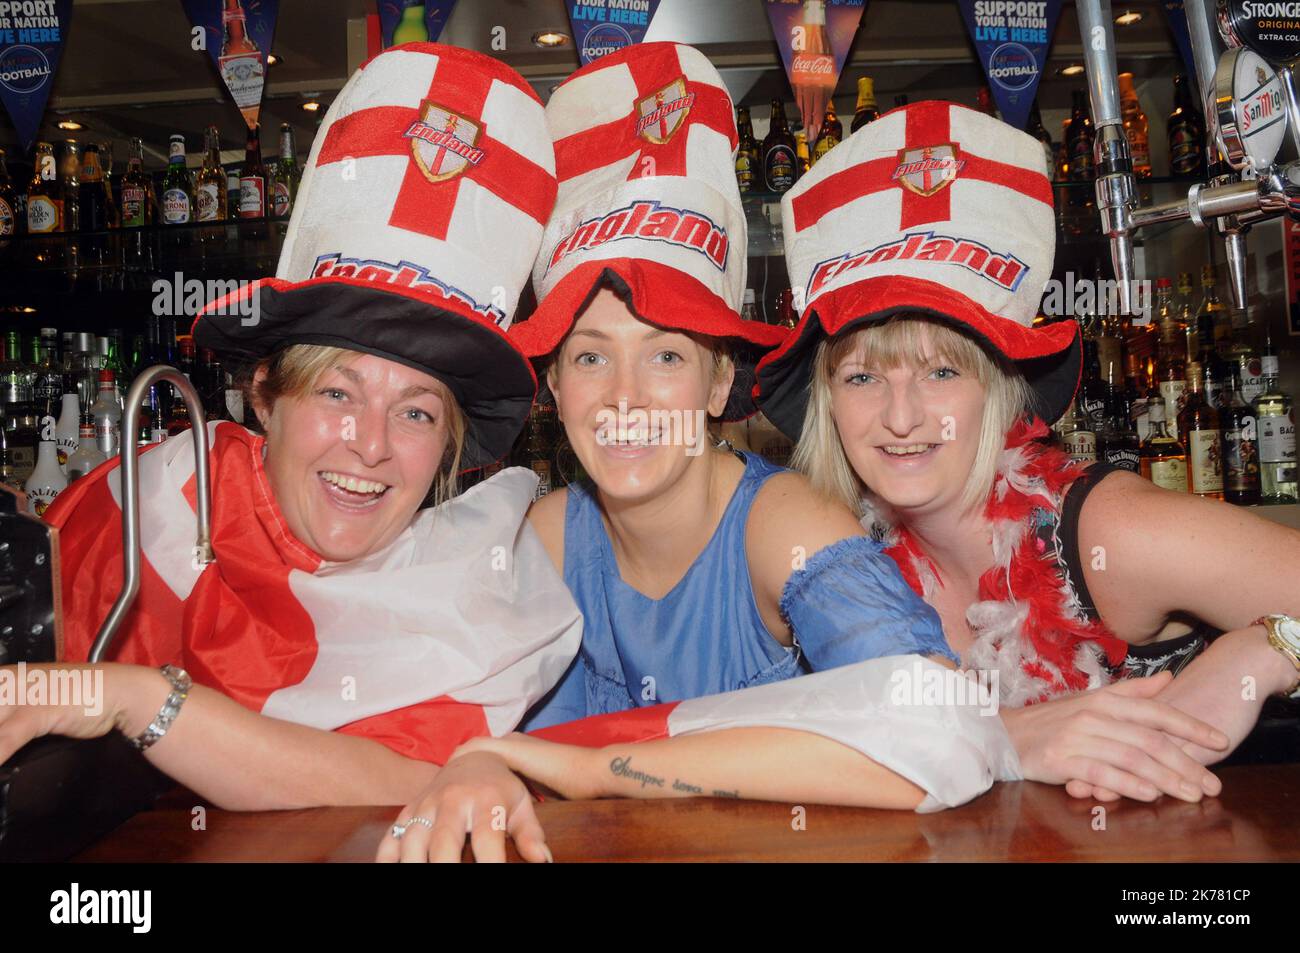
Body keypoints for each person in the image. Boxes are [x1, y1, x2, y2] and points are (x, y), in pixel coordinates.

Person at [378, 52, 1231, 862]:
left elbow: (936, 725)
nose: (626, 397)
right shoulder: (538, 536)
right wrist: (479, 761)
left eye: (667, 355)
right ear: (554, 387)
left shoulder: (781, 524)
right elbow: (418, 722)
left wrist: (583, 763)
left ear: (720, 384)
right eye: (591, 356)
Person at [0, 45, 580, 858]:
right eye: (337, 394)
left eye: (415, 413)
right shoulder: (141, 512)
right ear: (265, 394)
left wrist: (137, 698)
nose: (371, 446)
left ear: (451, 447)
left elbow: (400, 772)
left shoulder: (468, 591)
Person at [754, 98, 1300, 802]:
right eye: (862, 376)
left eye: (942, 372)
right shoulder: (831, 556)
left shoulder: (1107, 532)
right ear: (828, 403)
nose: (899, 416)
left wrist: (1261, 652)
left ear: (1002, 388)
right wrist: (1000, 739)